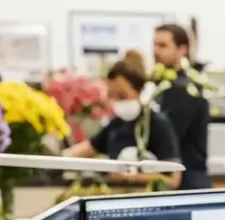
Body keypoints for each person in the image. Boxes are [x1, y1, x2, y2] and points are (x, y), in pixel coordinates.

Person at [64, 52, 182, 189]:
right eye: (112, 96)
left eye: (122, 96)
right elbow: (85, 150)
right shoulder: (115, 125)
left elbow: (173, 180)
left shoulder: (158, 124)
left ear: (140, 91)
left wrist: (129, 177)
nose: (117, 102)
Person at [153, 23, 212, 190]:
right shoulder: (162, 84)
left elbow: (167, 134)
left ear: (182, 49)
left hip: (188, 180)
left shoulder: (186, 88)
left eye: (163, 45)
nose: (156, 51)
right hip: (174, 175)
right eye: (154, 45)